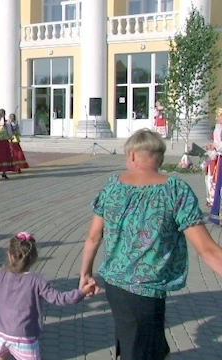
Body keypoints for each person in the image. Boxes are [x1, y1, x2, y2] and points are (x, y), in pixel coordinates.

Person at [80, 129, 222, 360]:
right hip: (147, 290)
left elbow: (94, 236)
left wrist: (85, 273)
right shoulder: (175, 190)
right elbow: (207, 249)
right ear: (161, 158)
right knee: (141, 349)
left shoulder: (112, 186)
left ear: (133, 156)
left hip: (114, 285)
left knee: (137, 343)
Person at [0, 232, 94, 360]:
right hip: (24, 337)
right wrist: (81, 292)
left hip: (1, 333)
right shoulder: (36, 281)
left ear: (10, 256)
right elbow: (59, 299)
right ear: (34, 257)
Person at [205, 108, 222, 210]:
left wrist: (216, 146)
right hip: (218, 157)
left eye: (218, 116)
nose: (216, 118)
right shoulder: (218, 128)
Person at [0, 109, 14, 179]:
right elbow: (9, 132)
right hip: (4, 141)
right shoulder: (6, 123)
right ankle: (4, 172)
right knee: (5, 156)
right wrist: (10, 137)